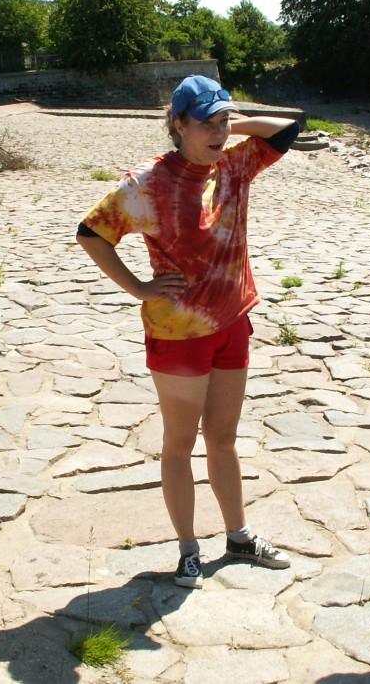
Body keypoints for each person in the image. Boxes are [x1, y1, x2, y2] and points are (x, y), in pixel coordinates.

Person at [77, 75, 300, 588]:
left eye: (223, 120)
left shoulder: (235, 164)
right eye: (206, 123)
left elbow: (289, 129)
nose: (219, 132)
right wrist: (139, 287)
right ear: (178, 125)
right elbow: (91, 233)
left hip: (232, 320)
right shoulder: (147, 182)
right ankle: (188, 551)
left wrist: (226, 126)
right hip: (177, 332)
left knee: (223, 439)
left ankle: (238, 536)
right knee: (179, 443)